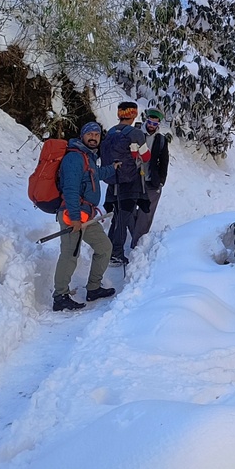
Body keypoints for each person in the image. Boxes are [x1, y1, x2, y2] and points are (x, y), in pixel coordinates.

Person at [52, 122, 116, 312]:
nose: (94, 137)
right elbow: (70, 189)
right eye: (90, 134)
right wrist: (74, 218)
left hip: (86, 215)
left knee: (104, 247)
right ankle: (60, 296)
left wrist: (114, 167)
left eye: (97, 134)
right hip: (72, 215)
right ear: (82, 136)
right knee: (70, 254)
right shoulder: (74, 158)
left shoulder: (87, 157)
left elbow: (97, 174)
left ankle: (93, 288)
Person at [100, 101, 150, 264]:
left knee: (117, 218)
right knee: (123, 218)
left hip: (113, 182)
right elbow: (146, 157)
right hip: (130, 182)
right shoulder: (135, 133)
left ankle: (108, 250)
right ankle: (116, 253)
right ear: (133, 114)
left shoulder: (110, 133)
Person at [131, 108, 169, 247]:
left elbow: (164, 162)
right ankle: (131, 233)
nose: (152, 126)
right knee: (128, 210)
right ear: (146, 120)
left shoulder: (161, 140)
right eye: (150, 122)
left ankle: (137, 245)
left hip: (151, 182)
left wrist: (161, 181)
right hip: (133, 180)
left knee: (146, 214)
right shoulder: (135, 133)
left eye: (155, 123)